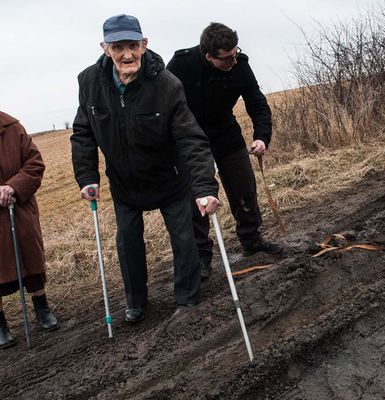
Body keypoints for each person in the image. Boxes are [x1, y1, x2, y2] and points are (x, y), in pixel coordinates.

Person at [71, 14, 219, 323]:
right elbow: (83, 132)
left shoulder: (166, 85)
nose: (127, 55)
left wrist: (204, 187)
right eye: (118, 47)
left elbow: (191, 138)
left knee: (184, 239)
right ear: (104, 49)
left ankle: (187, 299)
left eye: (133, 46)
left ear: (145, 44)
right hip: (125, 184)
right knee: (127, 244)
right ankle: (136, 301)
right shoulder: (89, 82)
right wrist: (87, 177)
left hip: (170, 180)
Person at [166, 22, 283, 280]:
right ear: (209, 56)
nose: (233, 60)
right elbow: (164, 106)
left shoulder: (240, 65)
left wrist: (262, 136)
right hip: (191, 138)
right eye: (226, 58)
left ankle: (251, 239)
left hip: (225, 133)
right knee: (199, 198)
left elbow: (256, 101)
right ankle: (201, 258)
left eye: (235, 53)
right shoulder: (180, 65)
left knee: (244, 186)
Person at [0, 111, 59, 349]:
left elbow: (35, 164)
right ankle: (0, 324)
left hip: (20, 209)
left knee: (32, 259)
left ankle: (42, 308)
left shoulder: (13, 129)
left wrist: (12, 187)